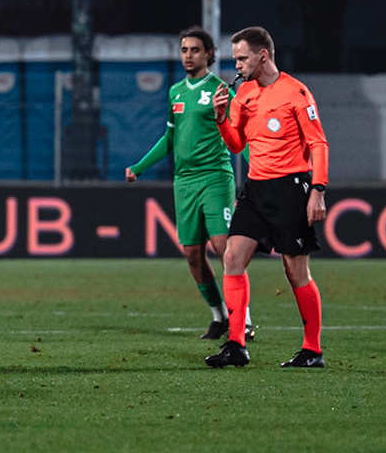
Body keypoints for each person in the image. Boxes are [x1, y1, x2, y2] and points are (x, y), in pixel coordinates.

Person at [205, 27, 330, 369]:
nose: (237, 65)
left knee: (294, 270)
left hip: (291, 188)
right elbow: (236, 144)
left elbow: (318, 144)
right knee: (232, 258)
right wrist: (220, 119)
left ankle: (312, 350)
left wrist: (317, 190)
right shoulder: (243, 93)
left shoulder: (296, 92)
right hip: (256, 188)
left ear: (263, 56)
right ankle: (235, 344)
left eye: (242, 58)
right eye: (235, 59)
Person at [125, 26, 254, 342]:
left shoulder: (222, 90)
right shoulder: (175, 92)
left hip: (215, 177)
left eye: (194, 50)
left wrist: (259, 171)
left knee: (225, 249)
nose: (188, 56)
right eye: (184, 50)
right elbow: (170, 137)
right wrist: (140, 166)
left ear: (208, 54)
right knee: (193, 254)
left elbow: (241, 137)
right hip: (184, 182)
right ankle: (219, 316)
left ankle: (245, 320)